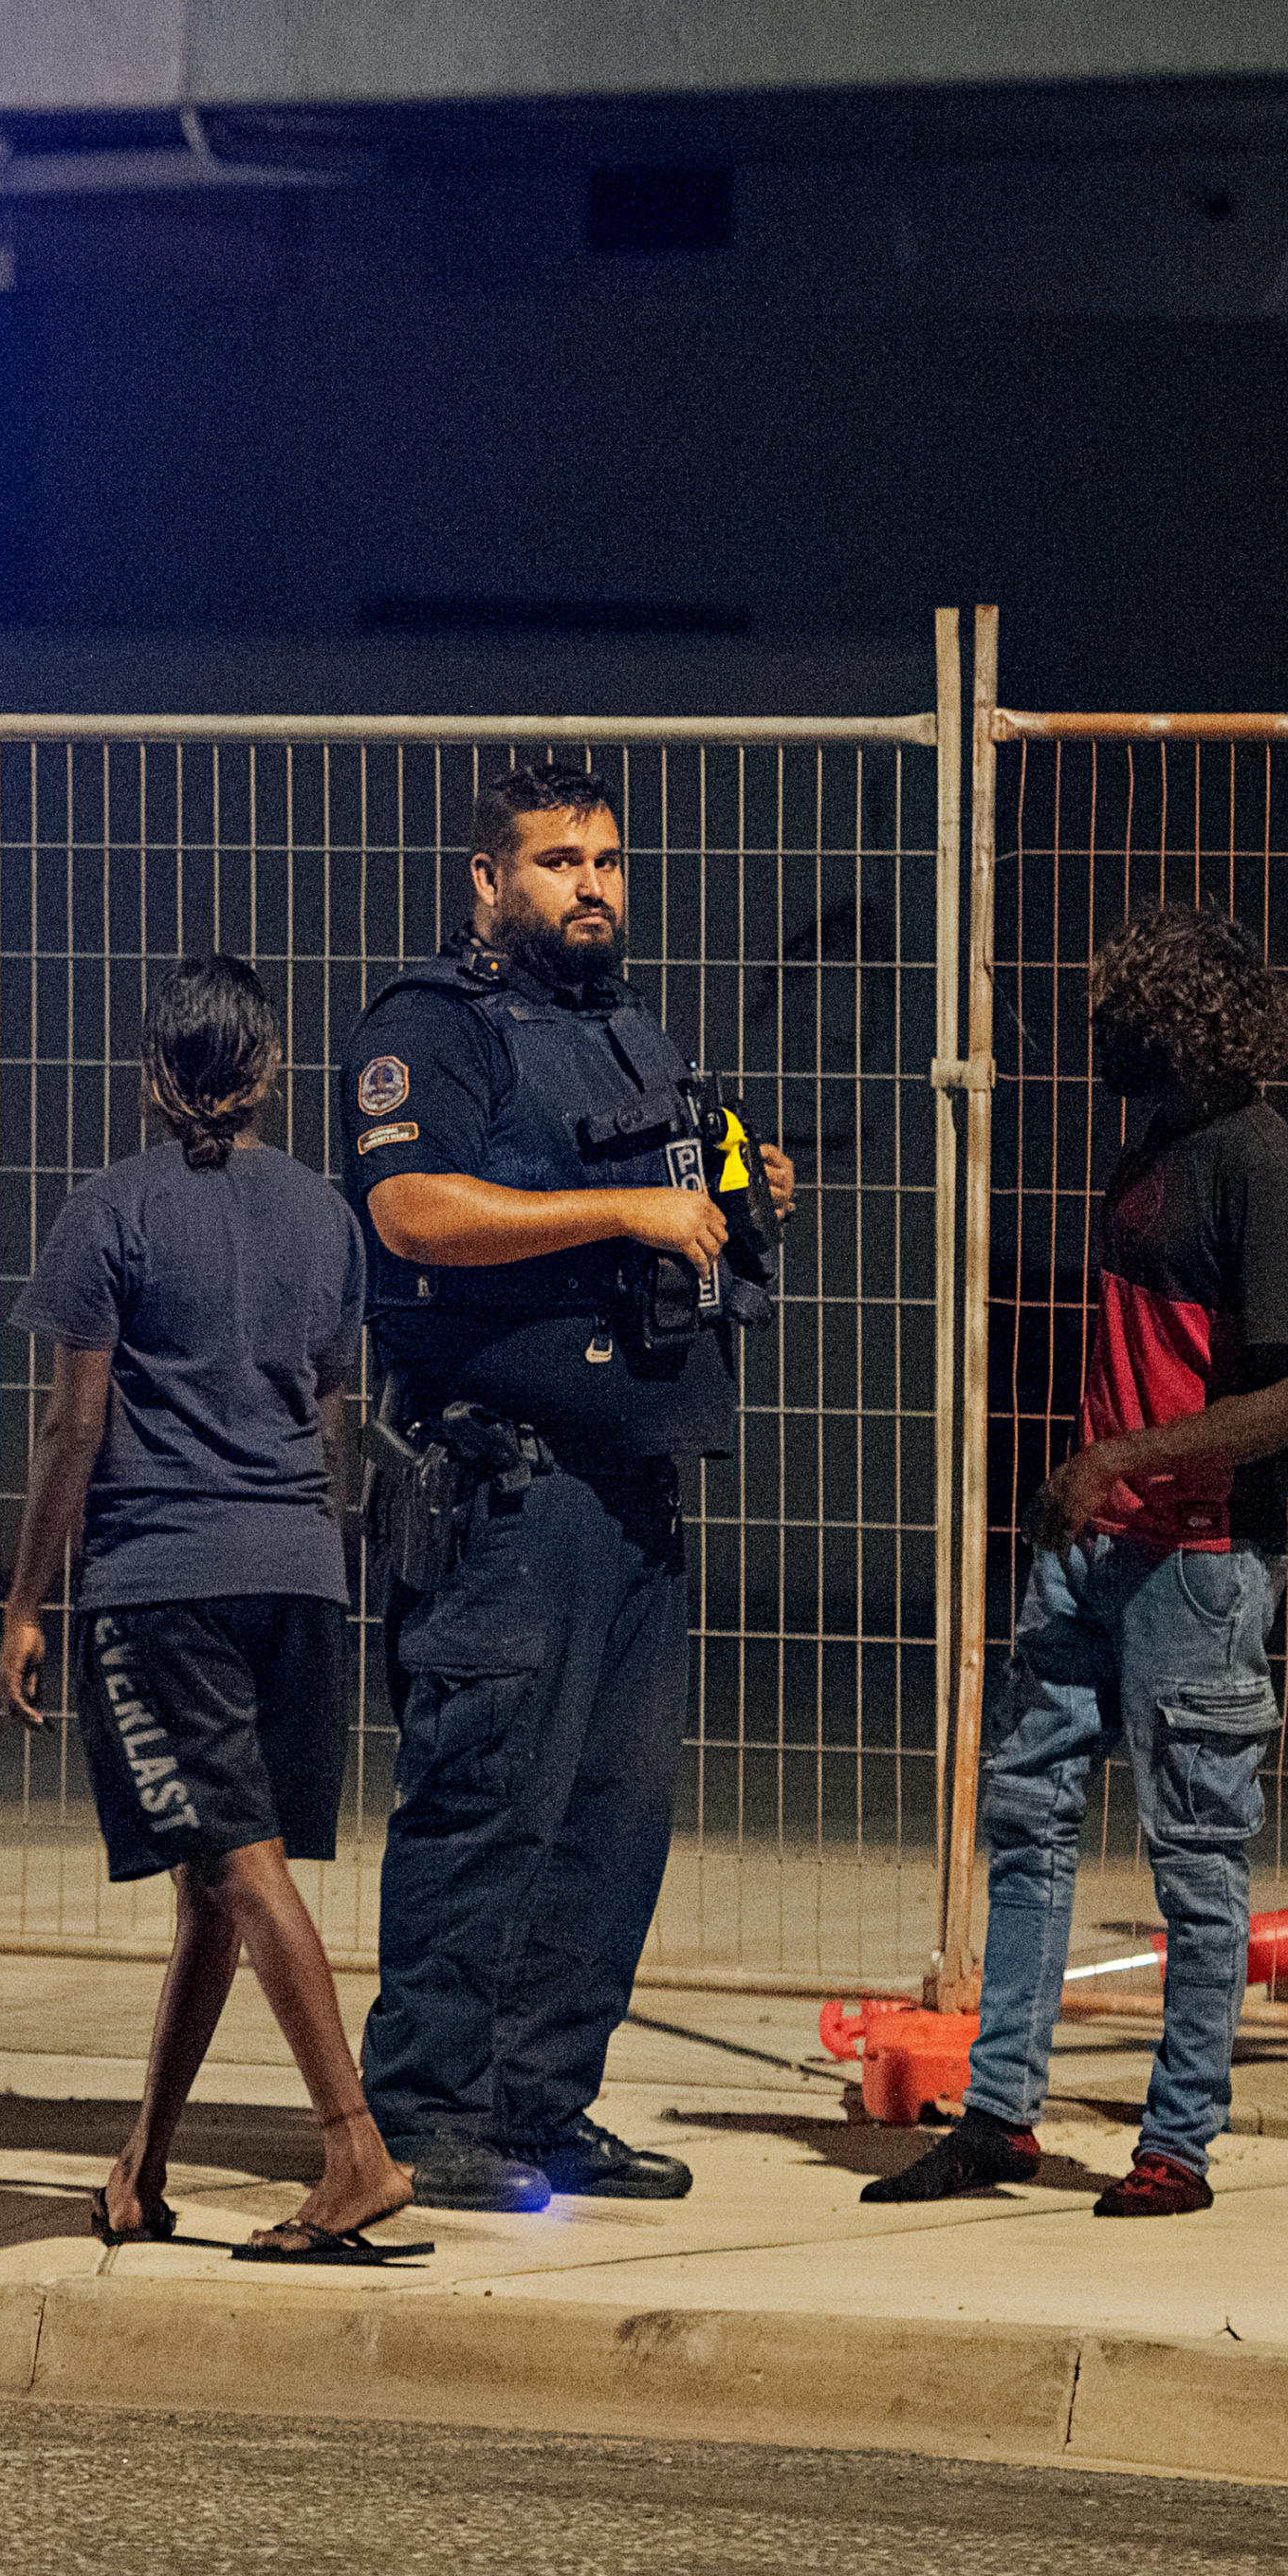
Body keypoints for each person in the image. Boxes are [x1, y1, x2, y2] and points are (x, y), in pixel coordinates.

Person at [341, 760, 796, 2211]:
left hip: (636, 1488)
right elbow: (410, 1209)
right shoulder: (434, 1026)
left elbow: (681, 1189)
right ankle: (421, 2113)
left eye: (607, 859)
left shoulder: (623, 1031)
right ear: (489, 879)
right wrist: (622, 1210)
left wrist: (742, 1197)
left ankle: (540, 2105)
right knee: (487, 1804)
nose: (592, 884)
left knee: (610, 1822)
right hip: (512, 1494)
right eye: (556, 861)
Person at [871, 904, 1288, 2219]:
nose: (1092, 1037)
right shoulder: (1156, 1148)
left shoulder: (1257, 1165)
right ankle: (1002, 2117)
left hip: (1196, 1563)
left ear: (1176, 1025)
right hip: (1096, 1547)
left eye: (1113, 1017)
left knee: (1195, 1858)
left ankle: (1176, 2146)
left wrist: (1119, 1460)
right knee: (1028, 1822)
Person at [0, 955, 412, 2261]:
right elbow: (330, 1409)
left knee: (237, 1867)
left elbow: (74, 1426)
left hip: (164, 1583)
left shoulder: (108, 1214)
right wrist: (316, 1547)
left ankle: (353, 2151)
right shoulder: (328, 1218)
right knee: (212, 1891)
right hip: (299, 1573)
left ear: (150, 1074)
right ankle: (142, 2168)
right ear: (273, 1074)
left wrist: (23, 1602)